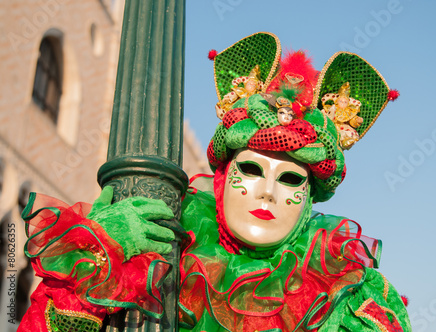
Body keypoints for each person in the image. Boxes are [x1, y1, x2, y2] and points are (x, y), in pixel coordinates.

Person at [19, 33, 410, 332]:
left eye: (290, 180)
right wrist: (100, 263)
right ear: (222, 179)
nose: (268, 192)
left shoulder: (347, 295)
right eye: (252, 171)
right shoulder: (165, 253)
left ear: (309, 200)